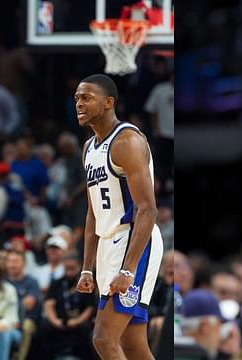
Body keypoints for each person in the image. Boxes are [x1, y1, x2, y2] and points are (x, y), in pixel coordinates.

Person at [75, 74, 164, 359]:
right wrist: (87, 267)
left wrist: (129, 268)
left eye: (87, 98)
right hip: (108, 242)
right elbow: (92, 212)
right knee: (132, 344)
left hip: (135, 239)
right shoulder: (89, 148)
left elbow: (147, 209)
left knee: (103, 338)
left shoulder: (127, 141)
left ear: (109, 102)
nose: (79, 103)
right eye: (77, 97)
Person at [38, 253, 96, 359]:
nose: (69, 272)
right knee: (43, 327)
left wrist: (77, 321)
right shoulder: (57, 283)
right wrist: (55, 321)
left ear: (79, 267)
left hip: (80, 320)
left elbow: (90, 307)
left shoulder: (87, 283)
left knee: (87, 329)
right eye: (66, 268)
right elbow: (48, 304)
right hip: (60, 320)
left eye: (72, 268)